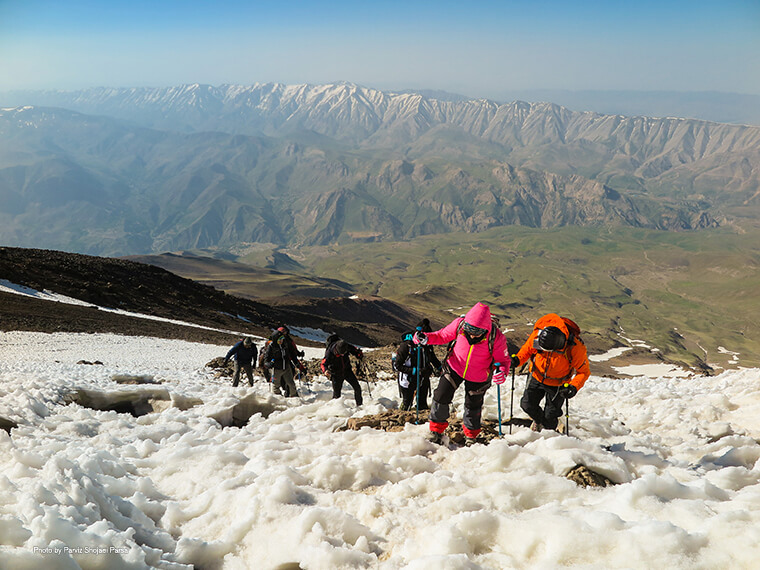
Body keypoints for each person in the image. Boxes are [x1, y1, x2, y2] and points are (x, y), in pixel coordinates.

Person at [413, 302, 510, 446]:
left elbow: (503, 360)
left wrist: (501, 371)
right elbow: (442, 336)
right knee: (441, 395)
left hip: (479, 375)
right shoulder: (460, 325)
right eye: (468, 328)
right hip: (454, 367)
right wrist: (426, 338)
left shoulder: (496, 337)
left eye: (476, 331)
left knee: (473, 405)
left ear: (485, 329)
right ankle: (436, 431)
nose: (471, 333)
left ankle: (471, 436)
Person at [512, 313, 590, 432]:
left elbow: (583, 372)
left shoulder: (575, 347)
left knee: (551, 414)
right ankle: (538, 421)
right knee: (527, 405)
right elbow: (527, 350)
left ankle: (548, 432)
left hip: (559, 383)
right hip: (536, 376)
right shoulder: (539, 335)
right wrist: (517, 360)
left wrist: (573, 387)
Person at [394, 319, 441, 411]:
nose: (426, 339)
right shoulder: (406, 346)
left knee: (422, 404)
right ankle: (401, 419)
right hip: (408, 379)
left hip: (424, 377)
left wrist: (440, 368)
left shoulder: (427, 345)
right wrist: (416, 371)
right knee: (407, 403)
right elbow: (397, 365)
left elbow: (432, 358)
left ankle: (422, 423)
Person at [263, 326, 306, 397]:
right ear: (276, 339)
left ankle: (294, 397)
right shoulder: (271, 346)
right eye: (280, 339)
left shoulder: (286, 344)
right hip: (276, 368)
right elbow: (266, 358)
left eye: (282, 338)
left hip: (286, 367)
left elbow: (292, 354)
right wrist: (268, 364)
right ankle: (278, 398)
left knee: (291, 384)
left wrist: (297, 363)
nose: (282, 340)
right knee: (276, 385)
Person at [321, 337, 364, 405]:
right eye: (340, 354)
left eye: (344, 354)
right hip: (336, 374)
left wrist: (359, 354)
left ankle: (359, 405)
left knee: (357, 388)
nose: (343, 355)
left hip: (347, 371)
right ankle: (335, 410)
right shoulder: (329, 352)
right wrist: (325, 371)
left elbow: (355, 351)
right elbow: (323, 364)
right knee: (337, 395)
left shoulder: (346, 346)